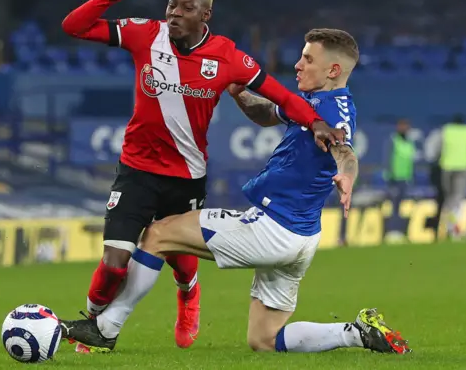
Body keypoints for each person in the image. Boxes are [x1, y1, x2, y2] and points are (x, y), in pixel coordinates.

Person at [59, 29, 411, 355]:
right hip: (302, 239)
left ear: (333, 69)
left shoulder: (332, 111)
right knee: (264, 340)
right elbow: (267, 113)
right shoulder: (318, 102)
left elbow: (343, 151)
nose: (297, 64)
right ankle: (356, 332)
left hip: (273, 228)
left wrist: (348, 175)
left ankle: (106, 328)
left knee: (158, 233)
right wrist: (241, 92)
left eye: (307, 59)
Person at [61, 0, 345, 350]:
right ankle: (96, 325)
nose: (175, 14)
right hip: (136, 170)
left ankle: (188, 295)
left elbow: (282, 96)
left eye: (186, 8)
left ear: (205, 16)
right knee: (115, 262)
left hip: (186, 176)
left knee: (180, 260)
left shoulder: (227, 56)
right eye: (171, 6)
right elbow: (73, 26)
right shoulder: (145, 34)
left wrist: (317, 122)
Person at [438, 113, 466, 239]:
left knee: (449, 199)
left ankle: (448, 227)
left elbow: (437, 148)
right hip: (463, 167)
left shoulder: (446, 130)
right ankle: (454, 229)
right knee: (458, 198)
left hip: (447, 166)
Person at [383, 118, 416, 242]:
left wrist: (411, 177)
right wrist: (389, 177)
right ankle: (392, 232)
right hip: (394, 179)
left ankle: (401, 231)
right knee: (394, 206)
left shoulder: (409, 142)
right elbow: (388, 159)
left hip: (405, 178)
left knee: (402, 207)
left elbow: (410, 161)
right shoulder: (393, 140)